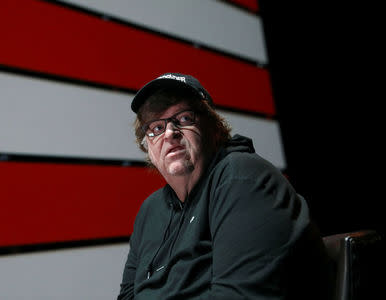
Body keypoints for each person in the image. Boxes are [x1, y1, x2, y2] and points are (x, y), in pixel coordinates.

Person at [117, 73, 332, 299]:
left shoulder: (243, 178)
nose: (170, 133)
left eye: (184, 118)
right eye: (157, 128)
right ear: (147, 147)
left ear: (215, 128)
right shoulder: (149, 211)